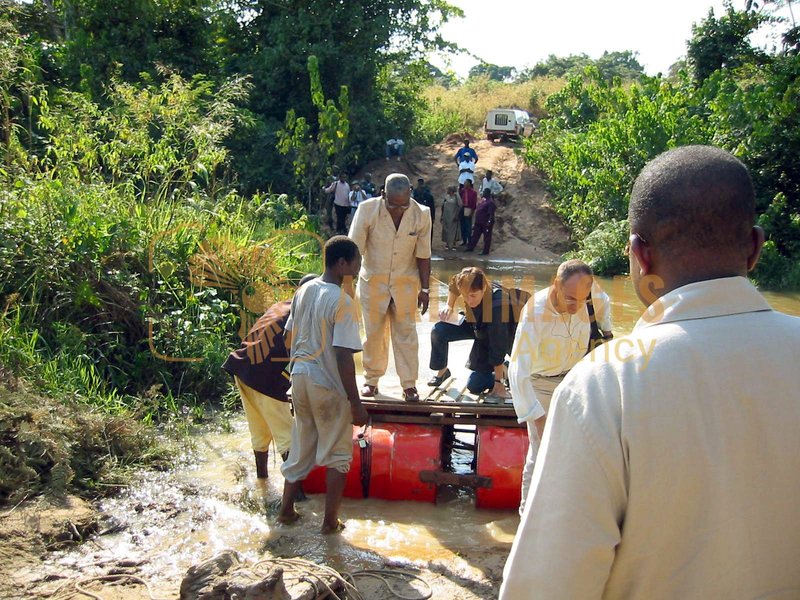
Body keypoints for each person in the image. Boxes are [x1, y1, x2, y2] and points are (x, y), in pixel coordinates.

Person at [501, 145, 800, 598]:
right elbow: (520, 363)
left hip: (563, 384)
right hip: (541, 386)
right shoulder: (563, 337)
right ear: (756, 247)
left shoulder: (605, 386)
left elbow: (546, 586)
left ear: (639, 257)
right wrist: (533, 413)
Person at [278, 236, 368, 535]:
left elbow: (287, 337)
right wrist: (355, 404)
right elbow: (343, 356)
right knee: (338, 455)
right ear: (342, 263)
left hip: (299, 379)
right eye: (356, 260)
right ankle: (330, 522)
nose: (358, 265)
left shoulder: (304, 290)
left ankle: (286, 511)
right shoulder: (342, 301)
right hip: (326, 385)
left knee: (301, 445)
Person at [508, 259, 612, 515]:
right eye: (569, 299)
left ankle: (573, 515)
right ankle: (529, 517)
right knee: (541, 452)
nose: (576, 306)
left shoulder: (593, 298)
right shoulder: (535, 313)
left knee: (584, 449)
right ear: (555, 285)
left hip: (576, 378)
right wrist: (536, 415)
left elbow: (607, 334)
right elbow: (518, 370)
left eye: (581, 300)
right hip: (540, 382)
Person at [222, 274, 318, 480]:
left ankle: (262, 481)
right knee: (288, 438)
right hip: (265, 376)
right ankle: (297, 498)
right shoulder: (306, 316)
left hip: (242, 366)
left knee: (259, 431)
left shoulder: (281, 306)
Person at [349, 173, 432, 402]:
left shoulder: (422, 214)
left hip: (405, 284)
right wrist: (346, 285)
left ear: (410, 195)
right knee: (373, 334)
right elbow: (354, 251)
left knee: (406, 334)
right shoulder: (367, 210)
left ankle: (409, 385)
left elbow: (424, 255)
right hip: (373, 282)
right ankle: (371, 380)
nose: (399, 210)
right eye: (394, 206)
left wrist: (425, 290)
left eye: (403, 205)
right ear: (382, 194)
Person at [428, 267, 527, 399]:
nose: (469, 300)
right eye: (465, 295)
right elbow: (453, 284)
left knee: (475, 385)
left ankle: (508, 372)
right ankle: (442, 371)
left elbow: (498, 346)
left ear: (484, 289)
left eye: (473, 295)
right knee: (438, 330)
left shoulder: (498, 307)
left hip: (503, 334)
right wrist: (449, 306)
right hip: (476, 324)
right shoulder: (468, 283)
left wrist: (499, 384)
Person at [466, 188, 497, 255]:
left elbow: (491, 214)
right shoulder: (483, 201)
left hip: (485, 223)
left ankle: (485, 251)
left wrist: (489, 222)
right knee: (475, 235)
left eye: (484, 192)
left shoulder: (490, 202)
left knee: (487, 238)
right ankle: (470, 248)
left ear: (488, 193)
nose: (483, 193)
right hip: (479, 222)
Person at [440, 185, 462, 250]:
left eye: (448, 190)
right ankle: (447, 244)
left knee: (454, 230)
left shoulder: (456, 197)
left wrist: (457, 215)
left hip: (453, 216)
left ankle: (454, 244)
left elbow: (460, 206)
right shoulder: (446, 197)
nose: (447, 191)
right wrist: (442, 216)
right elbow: (443, 206)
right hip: (446, 216)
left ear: (451, 191)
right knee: (446, 229)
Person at [459, 179, 477, 247]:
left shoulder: (473, 192)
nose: (464, 184)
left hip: (469, 208)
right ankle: (464, 240)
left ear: (469, 184)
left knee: (468, 226)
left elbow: (474, 203)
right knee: (462, 226)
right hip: (463, 208)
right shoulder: (462, 191)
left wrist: (472, 212)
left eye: (466, 182)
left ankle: (469, 241)